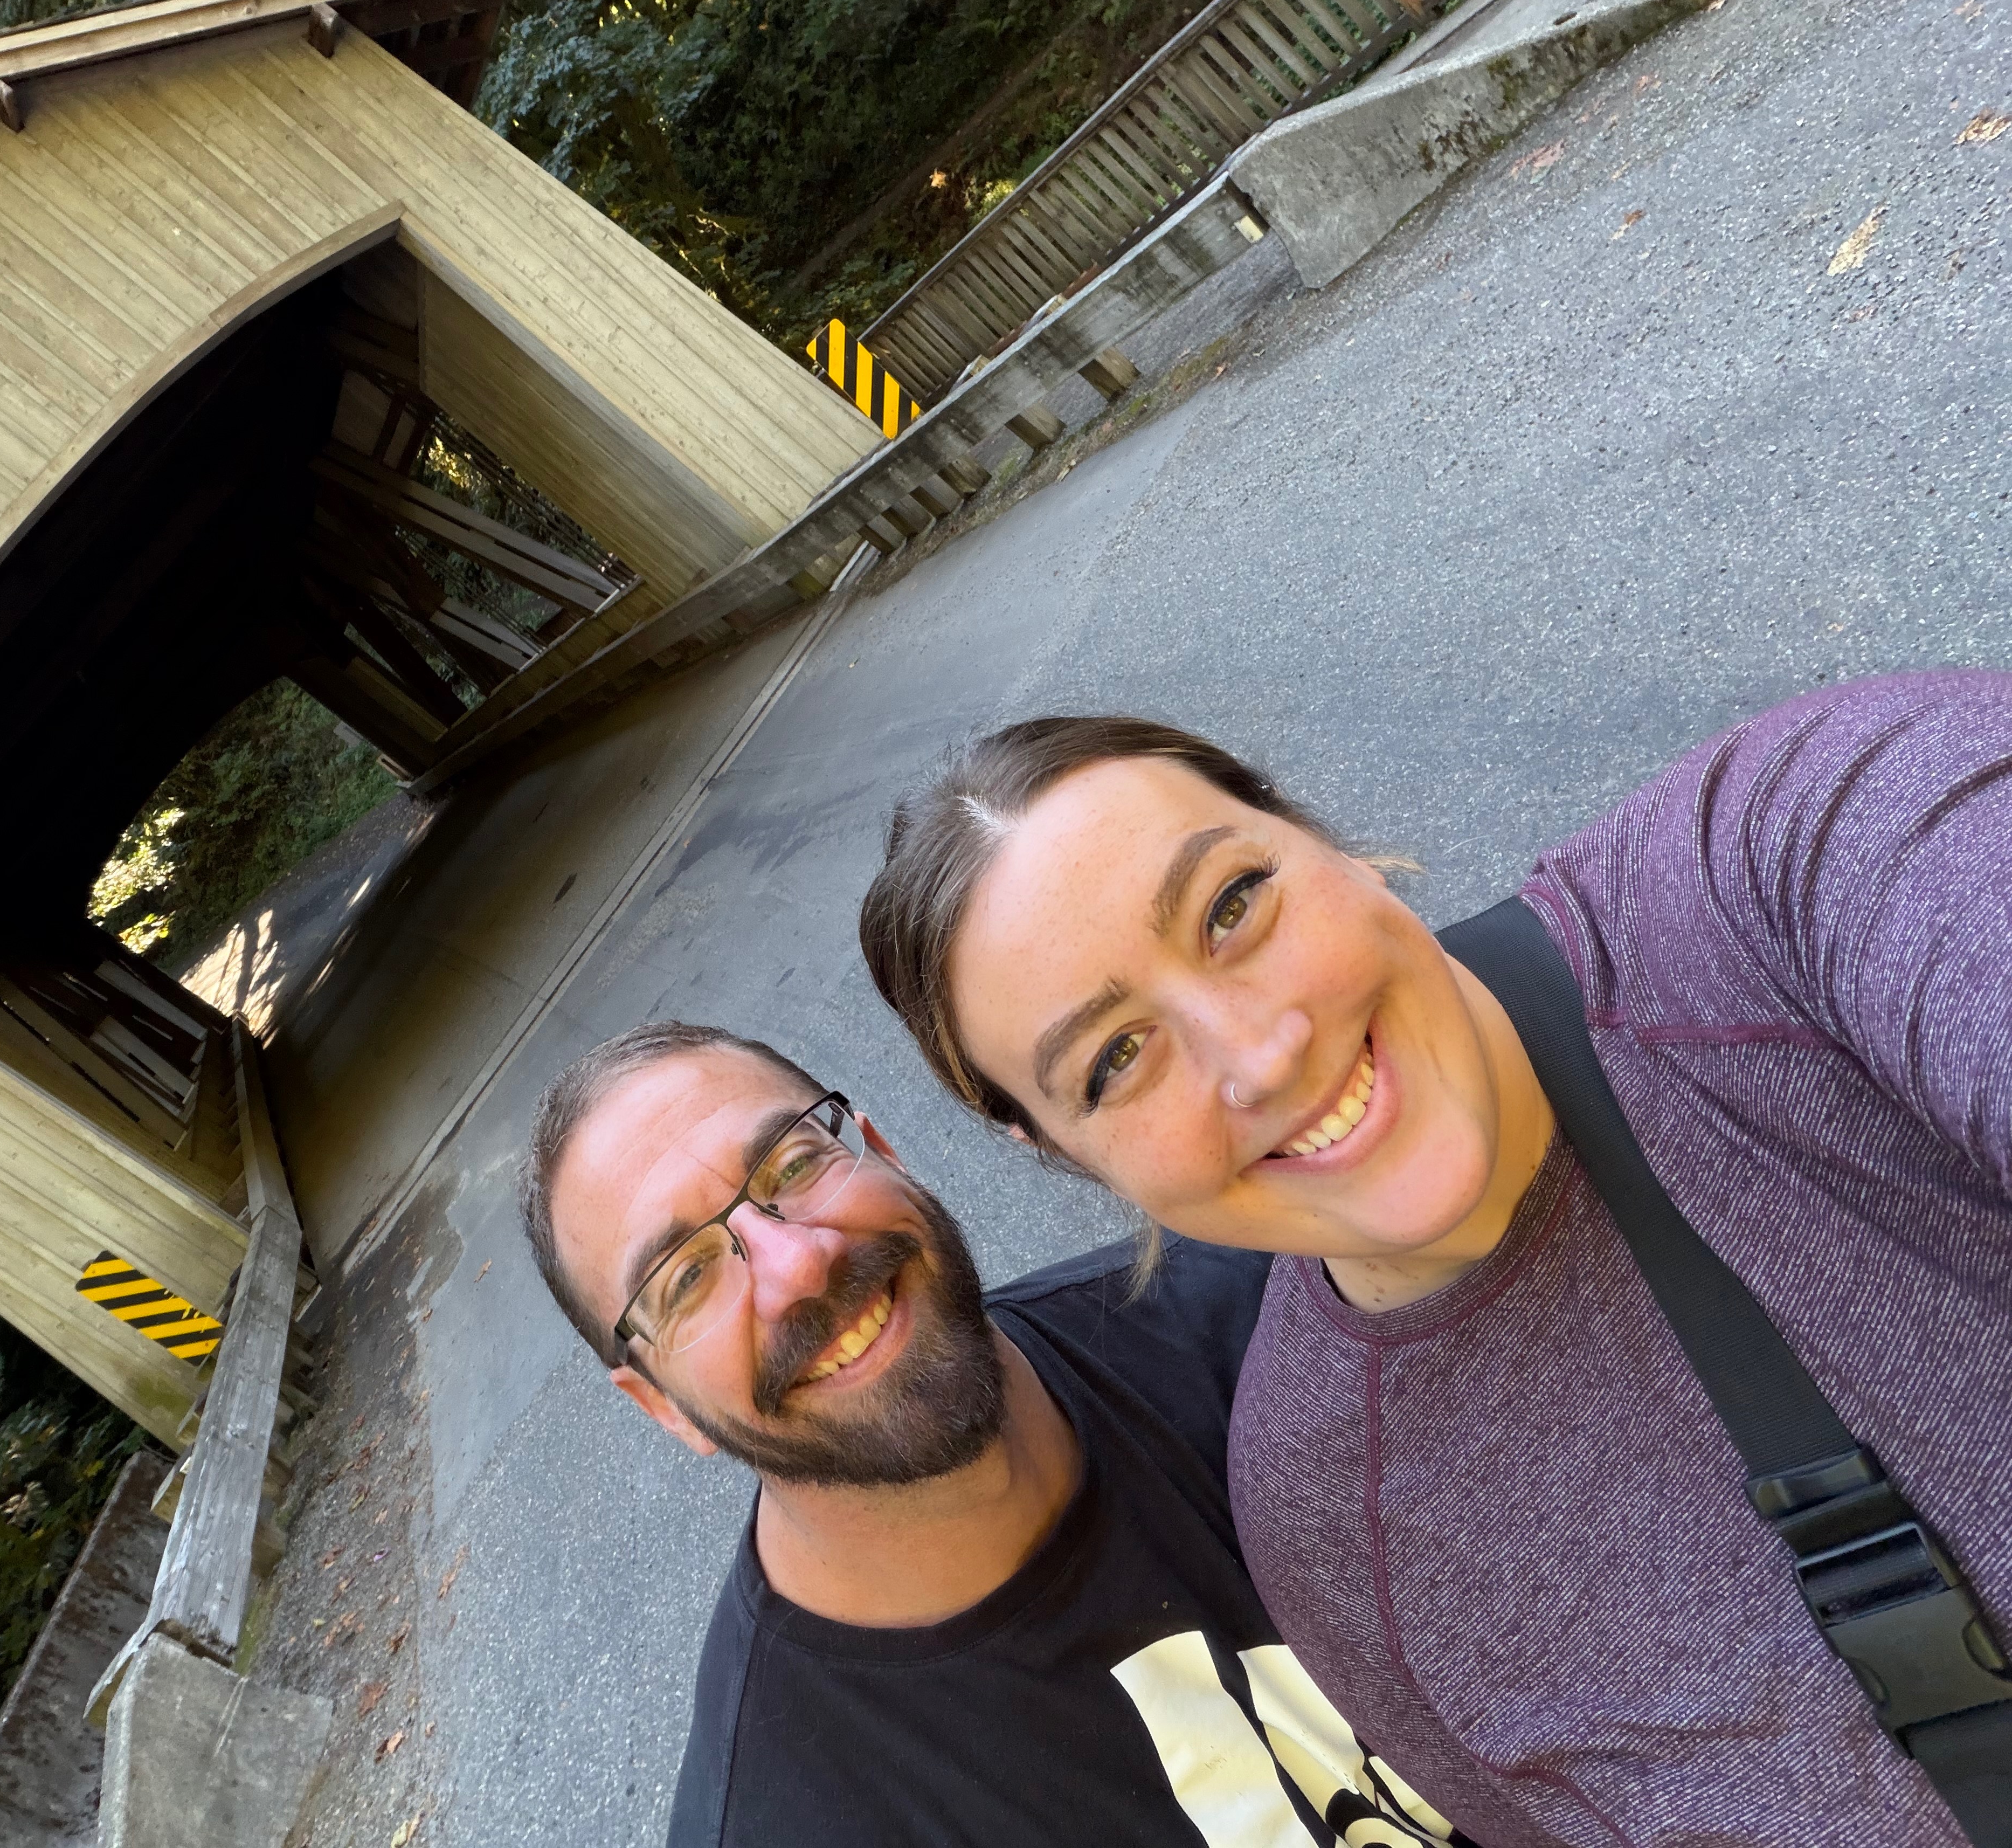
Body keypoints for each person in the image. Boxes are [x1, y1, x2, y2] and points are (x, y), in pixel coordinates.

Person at [857, 672, 2012, 1847]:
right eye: (1116, 1059)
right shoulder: (1334, 1530)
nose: (1261, 1056)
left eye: (1232, 905)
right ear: (1067, 1154)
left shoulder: (1803, 855)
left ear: (1321, 841)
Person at [521, 1019, 1465, 1847]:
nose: (799, 1265)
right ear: (662, 1405)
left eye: (794, 1166)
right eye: (687, 1279)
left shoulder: (1272, 1312)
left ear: (883, 1151)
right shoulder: (786, 1819)